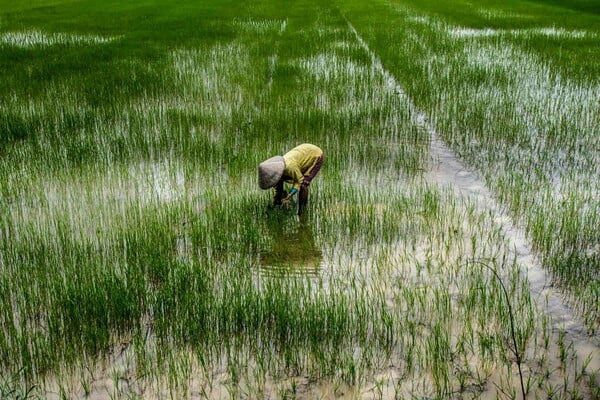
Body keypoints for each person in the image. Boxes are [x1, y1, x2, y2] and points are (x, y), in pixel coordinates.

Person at [258, 143, 324, 214]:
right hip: (302, 153)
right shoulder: (279, 166)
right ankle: (278, 203)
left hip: (315, 154)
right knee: (279, 181)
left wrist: (291, 194)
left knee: (304, 184)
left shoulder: (290, 167)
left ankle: (302, 211)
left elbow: (299, 180)